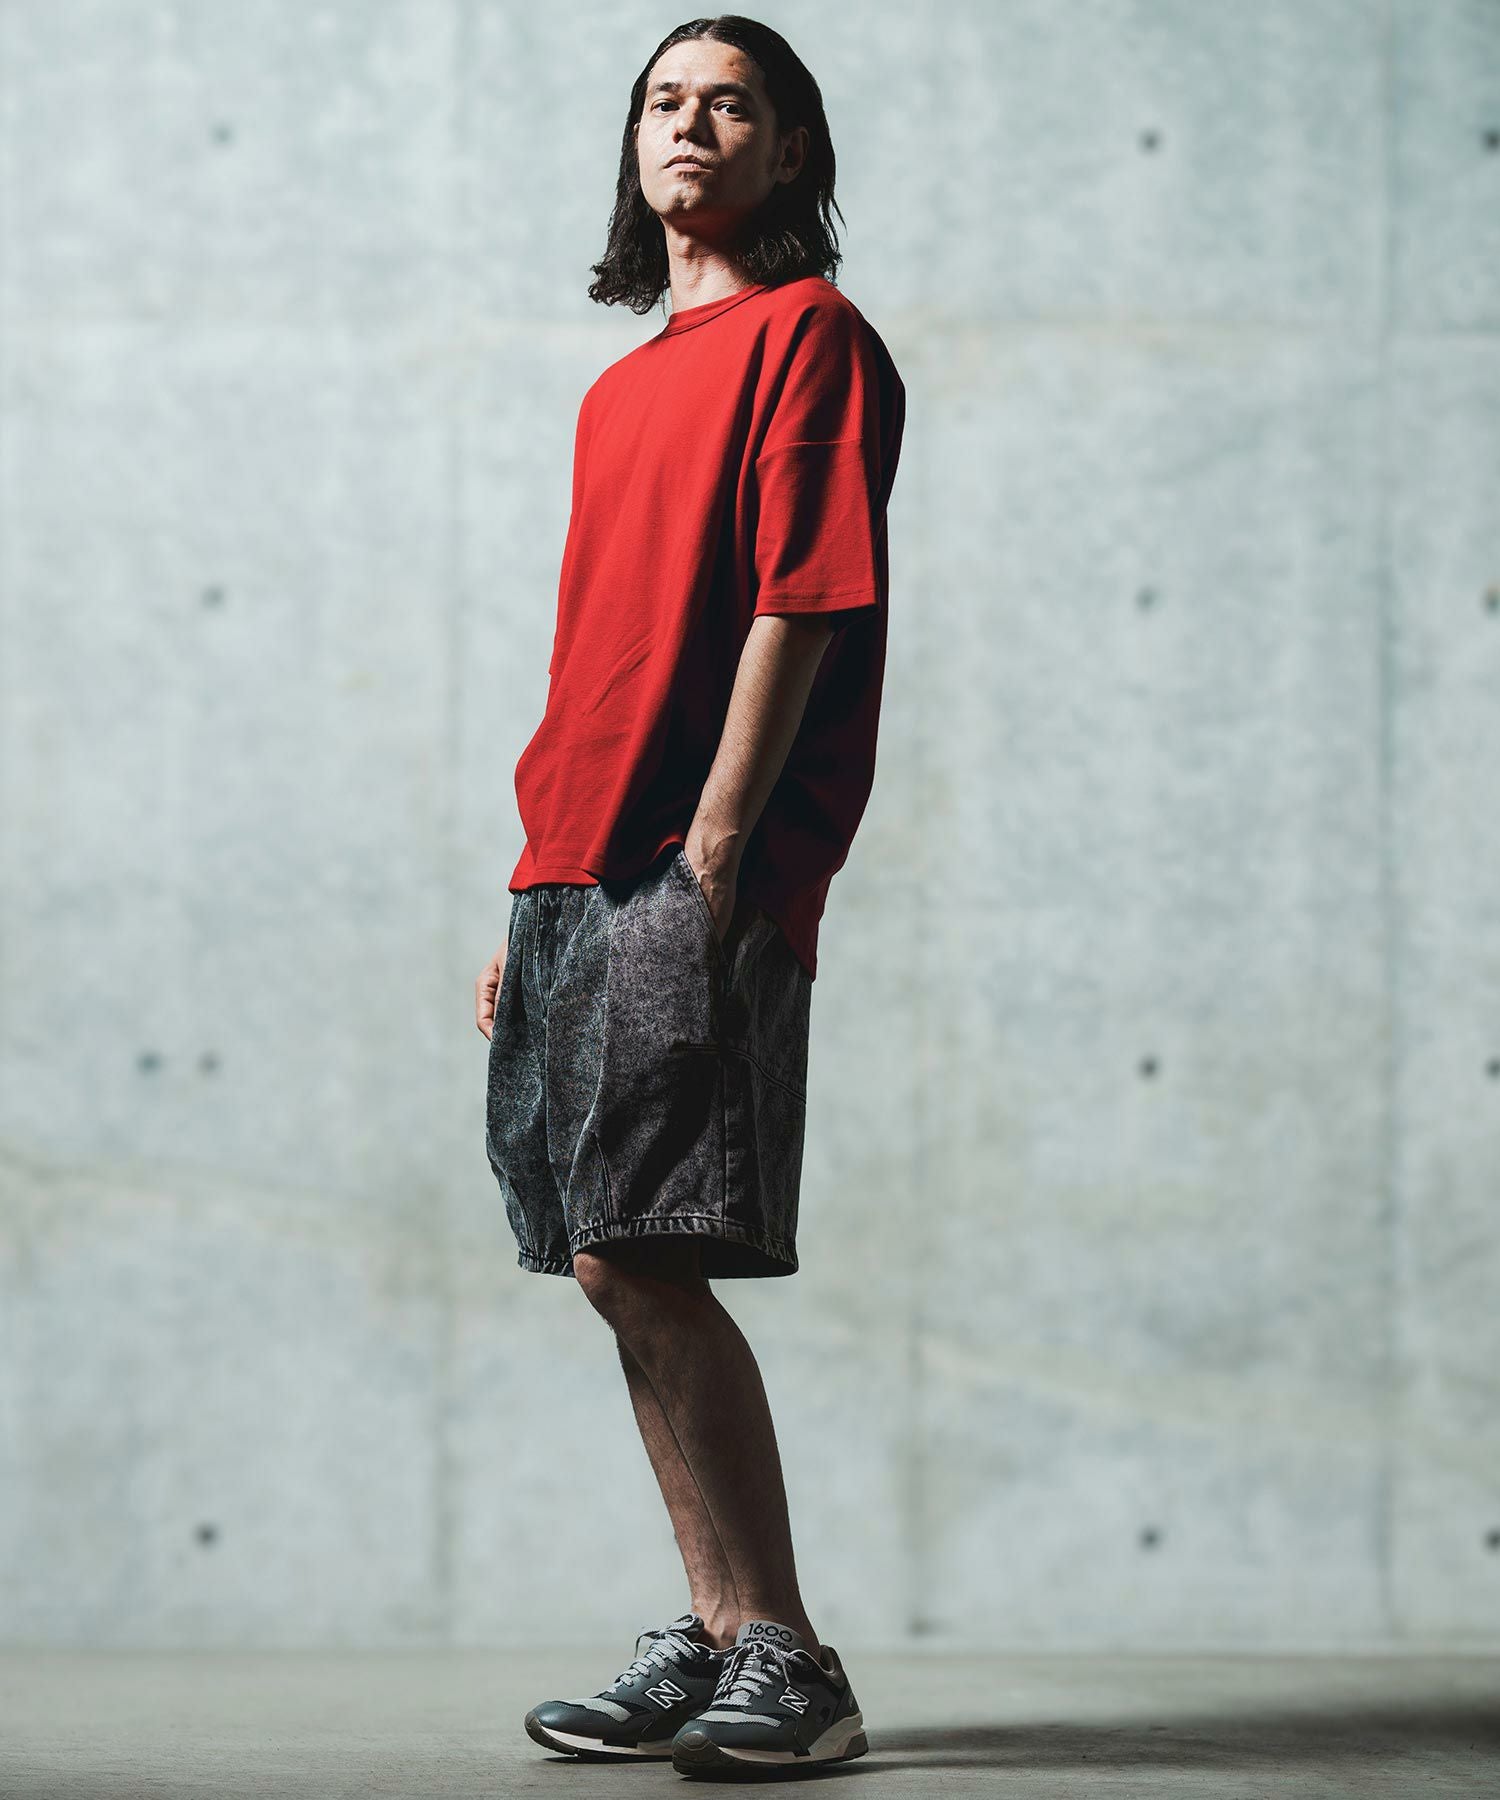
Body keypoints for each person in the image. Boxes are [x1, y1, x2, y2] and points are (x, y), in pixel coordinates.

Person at [473, 15, 904, 1780]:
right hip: (571, 866)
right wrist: (526, 893)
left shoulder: (812, 338)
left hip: (684, 864)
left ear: (790, 150)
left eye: (733, 104)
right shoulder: (619, 387)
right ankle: (722, 1631)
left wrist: (720, 849)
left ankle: (788, 1654)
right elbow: (595, 661)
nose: (691, 125)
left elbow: (805, 598)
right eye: (665, 100)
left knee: (649, 1249)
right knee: (604, 1257)